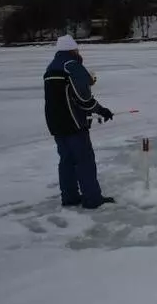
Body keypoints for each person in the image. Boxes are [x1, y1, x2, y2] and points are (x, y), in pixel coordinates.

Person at [43, 35, 115, 209]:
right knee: (84, 160)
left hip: (55, 123)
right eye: (77, 49)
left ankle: (70, 197)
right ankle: (92, 199)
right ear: (72, 50)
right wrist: (101, 110)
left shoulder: (51, 67)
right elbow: (83, 99)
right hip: (74, 124)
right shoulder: (72, 66)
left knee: (66, 160)